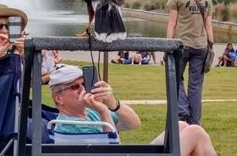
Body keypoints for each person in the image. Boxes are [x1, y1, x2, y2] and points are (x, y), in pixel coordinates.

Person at [48, 65, 216, 155]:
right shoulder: (68, 125)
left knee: (180, 126)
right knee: (195, 132)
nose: (81, 89)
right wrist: (104, 112)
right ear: (58, 98)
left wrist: (113, 104)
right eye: (74, 87)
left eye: (83, 84)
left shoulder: (90, 112)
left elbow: (134, 123)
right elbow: (112, 151)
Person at [166, 0, 214, 125]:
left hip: (182, 45)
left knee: (176, 79)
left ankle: (182, 110)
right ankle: (194, 121)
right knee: (196, 85)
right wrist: (211, 45)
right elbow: (209, 24)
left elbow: (172, 24)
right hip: (201, 46)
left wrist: (168, 45)